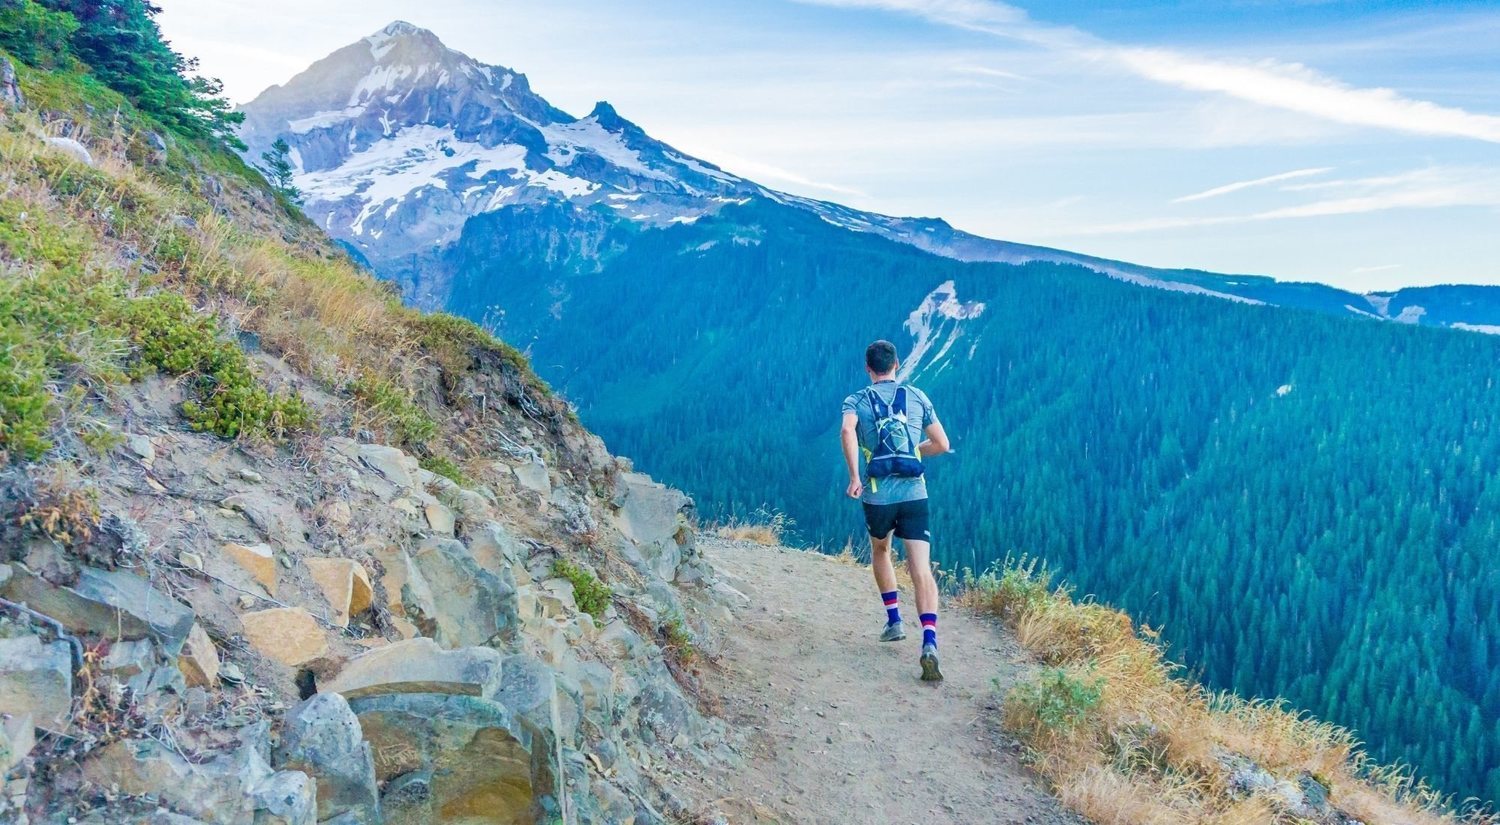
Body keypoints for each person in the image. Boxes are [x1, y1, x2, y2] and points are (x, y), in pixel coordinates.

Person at [840, 340, 951, 682]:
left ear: (867, 368)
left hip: (878, 496)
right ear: (897, 364)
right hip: (915, 493)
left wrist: (856, 476)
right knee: (921, 568)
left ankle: (894, 621)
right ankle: (929, 642)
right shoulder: (917, 397)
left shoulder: (856, 400)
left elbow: (847, 430)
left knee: (881, 549)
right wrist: (913, 451)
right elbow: (942, 445)